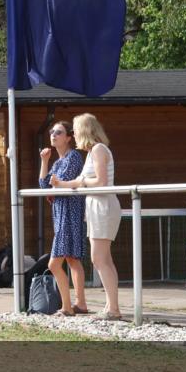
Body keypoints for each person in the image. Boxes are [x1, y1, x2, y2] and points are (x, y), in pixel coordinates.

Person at [51, 113, 121, 320]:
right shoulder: (92, 152)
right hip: (95, 206)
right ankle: (111, 306)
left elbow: (100, 182)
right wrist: (61, 184)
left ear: (84, 130)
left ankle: (113, 309)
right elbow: (81, 180)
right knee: (104, 259)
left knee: (98, 259)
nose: (74, 133)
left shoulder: (99, 150)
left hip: (103, 205)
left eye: (75, 129)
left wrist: (81, 182)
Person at [38, 121, 88, 315]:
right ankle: (80, 304)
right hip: (61, 213)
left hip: (70, 213)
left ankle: (67, 307)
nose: (53, 135)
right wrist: (44, 161)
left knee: (55, 263)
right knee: (72, 259)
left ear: (68, 137)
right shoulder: (58, 162)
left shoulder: (73, 156)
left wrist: (55, 183)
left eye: (58, 132)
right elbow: (44, 186)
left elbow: (59, 184)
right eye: (51, 131)